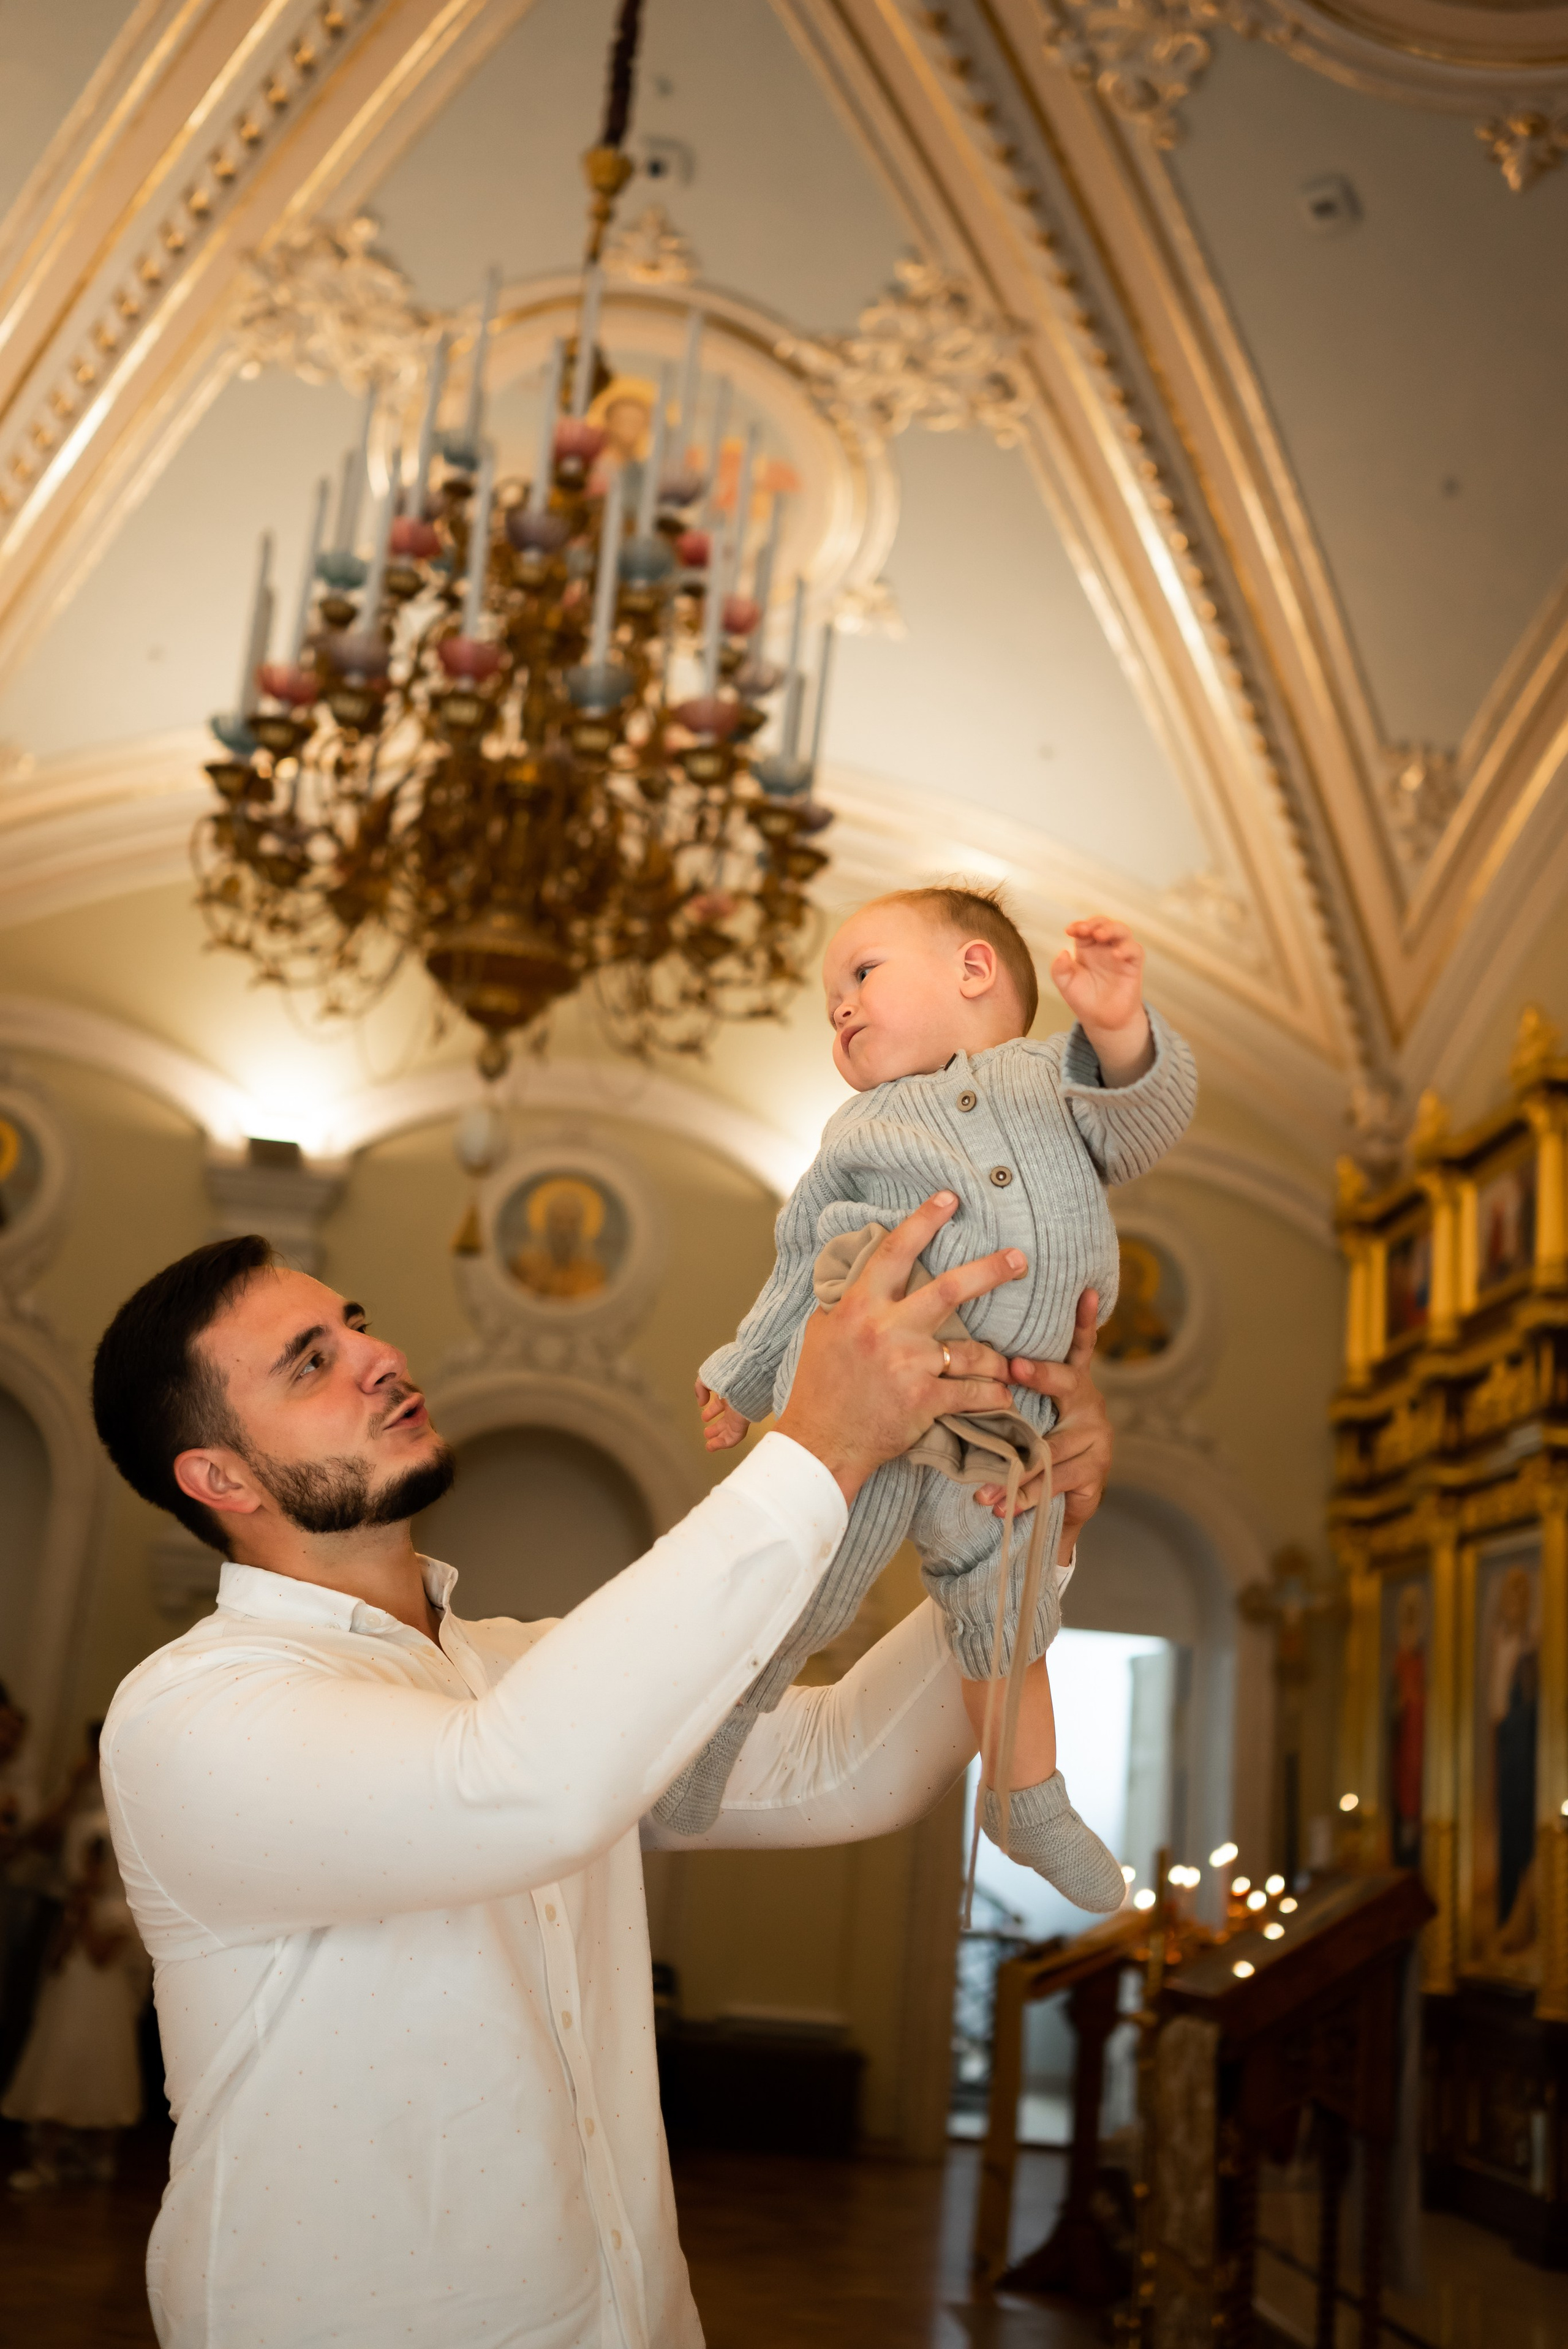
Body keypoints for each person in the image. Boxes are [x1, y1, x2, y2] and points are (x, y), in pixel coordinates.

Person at [89, 1205, 1112, 2348]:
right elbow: (521, 1790)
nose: (380, 1358)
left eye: (357, 1326)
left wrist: (1027, 1528)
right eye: (312, 1364)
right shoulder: (191, 1714)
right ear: (221, 1477)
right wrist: (821, 1444)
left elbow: (842, 1768)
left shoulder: (517, 1671)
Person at [677, 888, 1196, 1906]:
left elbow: (1144, 1125)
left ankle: (1024, 1796)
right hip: (872, 1392)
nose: (840, 1009)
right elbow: (796, 1263)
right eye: (832, 1001)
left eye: (860, 975)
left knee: (1005, 1600)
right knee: (811, 1583)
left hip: (1003, 1412)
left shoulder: (1055, 1082)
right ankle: (714, 1739)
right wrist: (741, 1373)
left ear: (972, 971)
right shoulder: (856, 1129)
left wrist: (1119, 1024)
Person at [3, 1812, 150, 2189]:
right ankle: (47, 2158)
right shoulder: (75, 1904)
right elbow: (55, 1960)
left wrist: (84, 1916)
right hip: (68, 1999)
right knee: (59, 2063)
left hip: (103, 2005)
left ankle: (98, 2154)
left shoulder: (123, 1912)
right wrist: (71, 1919)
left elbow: (102, 1956)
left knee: (99, 2068)